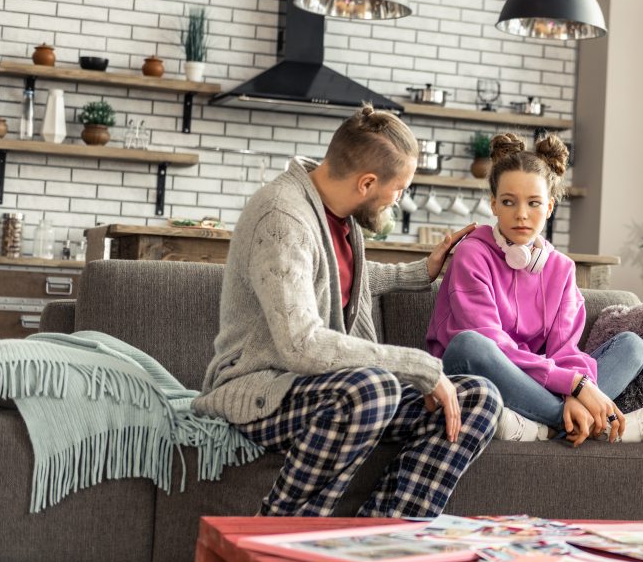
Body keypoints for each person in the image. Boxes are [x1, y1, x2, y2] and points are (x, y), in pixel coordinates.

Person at [193, 105, 501, 517]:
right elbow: (301, 346)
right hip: (261, 388)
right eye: (400, 188)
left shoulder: (337, 211)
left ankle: (379, 541)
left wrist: (422, 271)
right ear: (367, 182)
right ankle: (277, 535)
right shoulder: (282, 217)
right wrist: (421, 367)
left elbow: (335, 280)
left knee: (478, 398)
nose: (400, 198)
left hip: (322, 391)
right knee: (374, 389)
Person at [426, 133, 643, 446]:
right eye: (508, 202)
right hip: (472, 373)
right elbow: (491, 341)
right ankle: (591, 424)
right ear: (493, 204)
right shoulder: (472, 254)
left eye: (533, 203)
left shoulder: (561, 269)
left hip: (532, 383)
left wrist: (575, 387)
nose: (521, 214)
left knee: (633, 345)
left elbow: (565, 352)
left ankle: (543, 424)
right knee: (469, 344)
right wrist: (577, 386)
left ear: (549, 207)